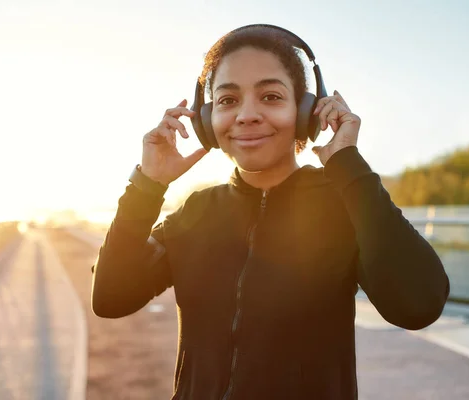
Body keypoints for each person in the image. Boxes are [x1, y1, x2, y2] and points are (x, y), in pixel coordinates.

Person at [91, 24, 450, 400]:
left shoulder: (346, 206)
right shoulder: (194, 211)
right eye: (228, 100)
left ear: (306, 111)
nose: (247, 115)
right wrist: (147, 186)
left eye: (271, 96)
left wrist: (349, 167)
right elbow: (111, 297)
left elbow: (418, 306)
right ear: (206, 119)